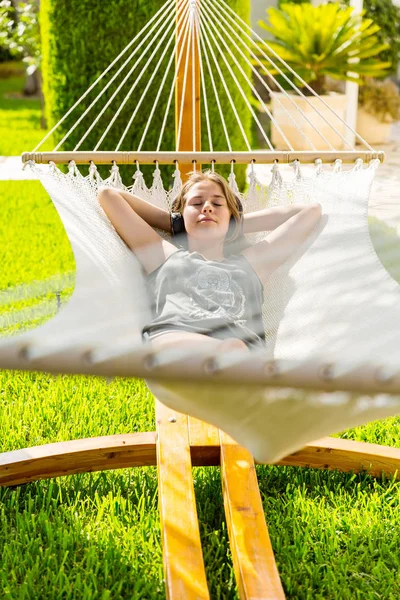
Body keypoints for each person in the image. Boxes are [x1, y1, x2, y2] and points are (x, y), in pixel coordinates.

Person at [97, 170, 321, 355]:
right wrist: (175, 224)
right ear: (181, 215)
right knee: (226, 351)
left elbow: (310, 212)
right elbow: (108, 195)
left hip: (238, 348)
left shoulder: (251, 263)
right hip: (175, 344)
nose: (206, 207)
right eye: (196, 203)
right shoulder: (163, 255)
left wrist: (234, 223)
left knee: (235, 350)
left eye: (217, 204)